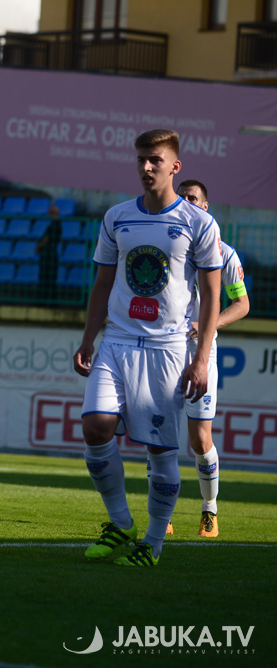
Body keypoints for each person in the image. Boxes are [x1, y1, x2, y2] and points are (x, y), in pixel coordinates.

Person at [72, 129, 223, 567]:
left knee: (160, 451)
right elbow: (102, 283)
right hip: (117, 341)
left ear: (175, 166)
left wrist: (201, 359)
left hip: (167, 350)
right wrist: (88, 337)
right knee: (95, 427)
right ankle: (121, 523)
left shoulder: (199, 224)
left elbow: (213, 298)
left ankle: (153, 544)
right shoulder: (116, 217)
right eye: (141, 159)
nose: (146, 166)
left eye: (155, 159)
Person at [175, 179, 250, 538]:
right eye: (182, 198)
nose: (186, 202)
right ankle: (162, 511)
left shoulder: (225, 254)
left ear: (205, 206)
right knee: (158, 434)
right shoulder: (166, 247)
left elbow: (242, 304)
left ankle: (209, 509)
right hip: (163, 349)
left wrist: (207, 323)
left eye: (193, 198)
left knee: (200, 440)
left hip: (201, 351)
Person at [35, 204, 61, 298]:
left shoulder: (55, 226)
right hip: (49, 255)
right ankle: (46, 298)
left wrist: (38, 247)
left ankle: (47, 299)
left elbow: (46, 239)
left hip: (49, 256)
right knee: (47, 278)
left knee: (47, 278)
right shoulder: (55, 226)